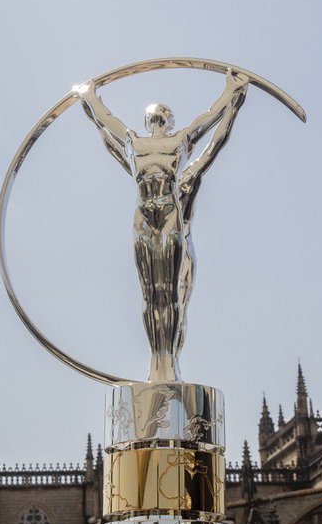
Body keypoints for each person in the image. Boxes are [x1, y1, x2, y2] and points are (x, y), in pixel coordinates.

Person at [73, 69, 250, 382]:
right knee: (149, 294)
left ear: (170, 121)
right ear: (146, 120)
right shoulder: (133, 143)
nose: (160, 115)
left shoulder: (179, 141)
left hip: (169, 214)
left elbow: (210, 125)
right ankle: (157, 363)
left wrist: (232, 94)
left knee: (167, 293)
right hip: (144, 216)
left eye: (165, 113)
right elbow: (106, 122)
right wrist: (87, 97)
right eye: (155, 113)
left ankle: (168, 363)